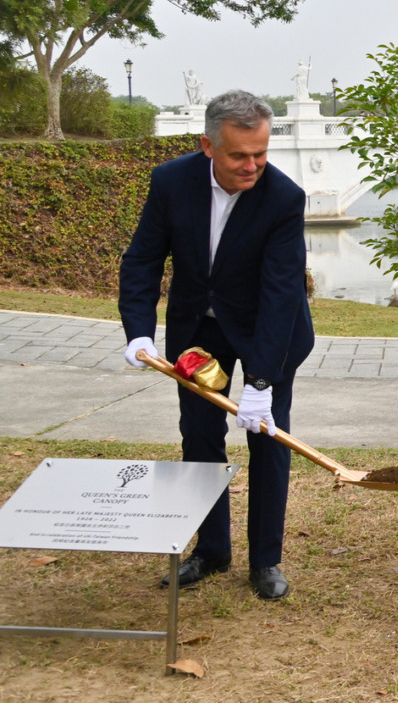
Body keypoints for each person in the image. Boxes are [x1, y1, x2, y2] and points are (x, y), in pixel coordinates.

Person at [118, 90, 314, 600]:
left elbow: (282, 293)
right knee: (200, 435)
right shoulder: (170, 181)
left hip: (270, 328)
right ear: (208, 145)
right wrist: (139, 330)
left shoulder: (284, 198)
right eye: (239, 155)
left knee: (267, 437)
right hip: (199, 329)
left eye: (261, 153)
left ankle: (265, 560)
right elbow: (142, 259)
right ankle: (211, 550)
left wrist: (263, 381)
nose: (252, 165)